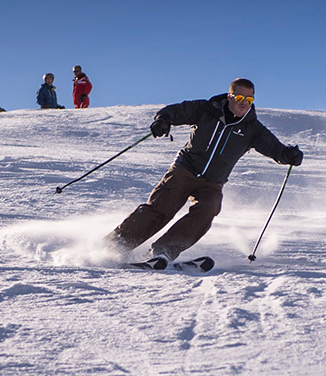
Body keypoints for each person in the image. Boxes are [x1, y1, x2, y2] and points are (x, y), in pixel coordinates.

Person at [104, 78, 304, 267]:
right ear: (230, 96)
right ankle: (114, 245)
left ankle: (163, 251)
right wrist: (163, 119)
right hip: (185, 169)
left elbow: (275, 149)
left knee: (209, 208)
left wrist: (289, 155)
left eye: (249, 100)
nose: (245, 104)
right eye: (241, 98)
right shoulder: (206, 110)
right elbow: (174, 111)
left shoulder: (253, 128)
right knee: (162, 207)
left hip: (213, 182)